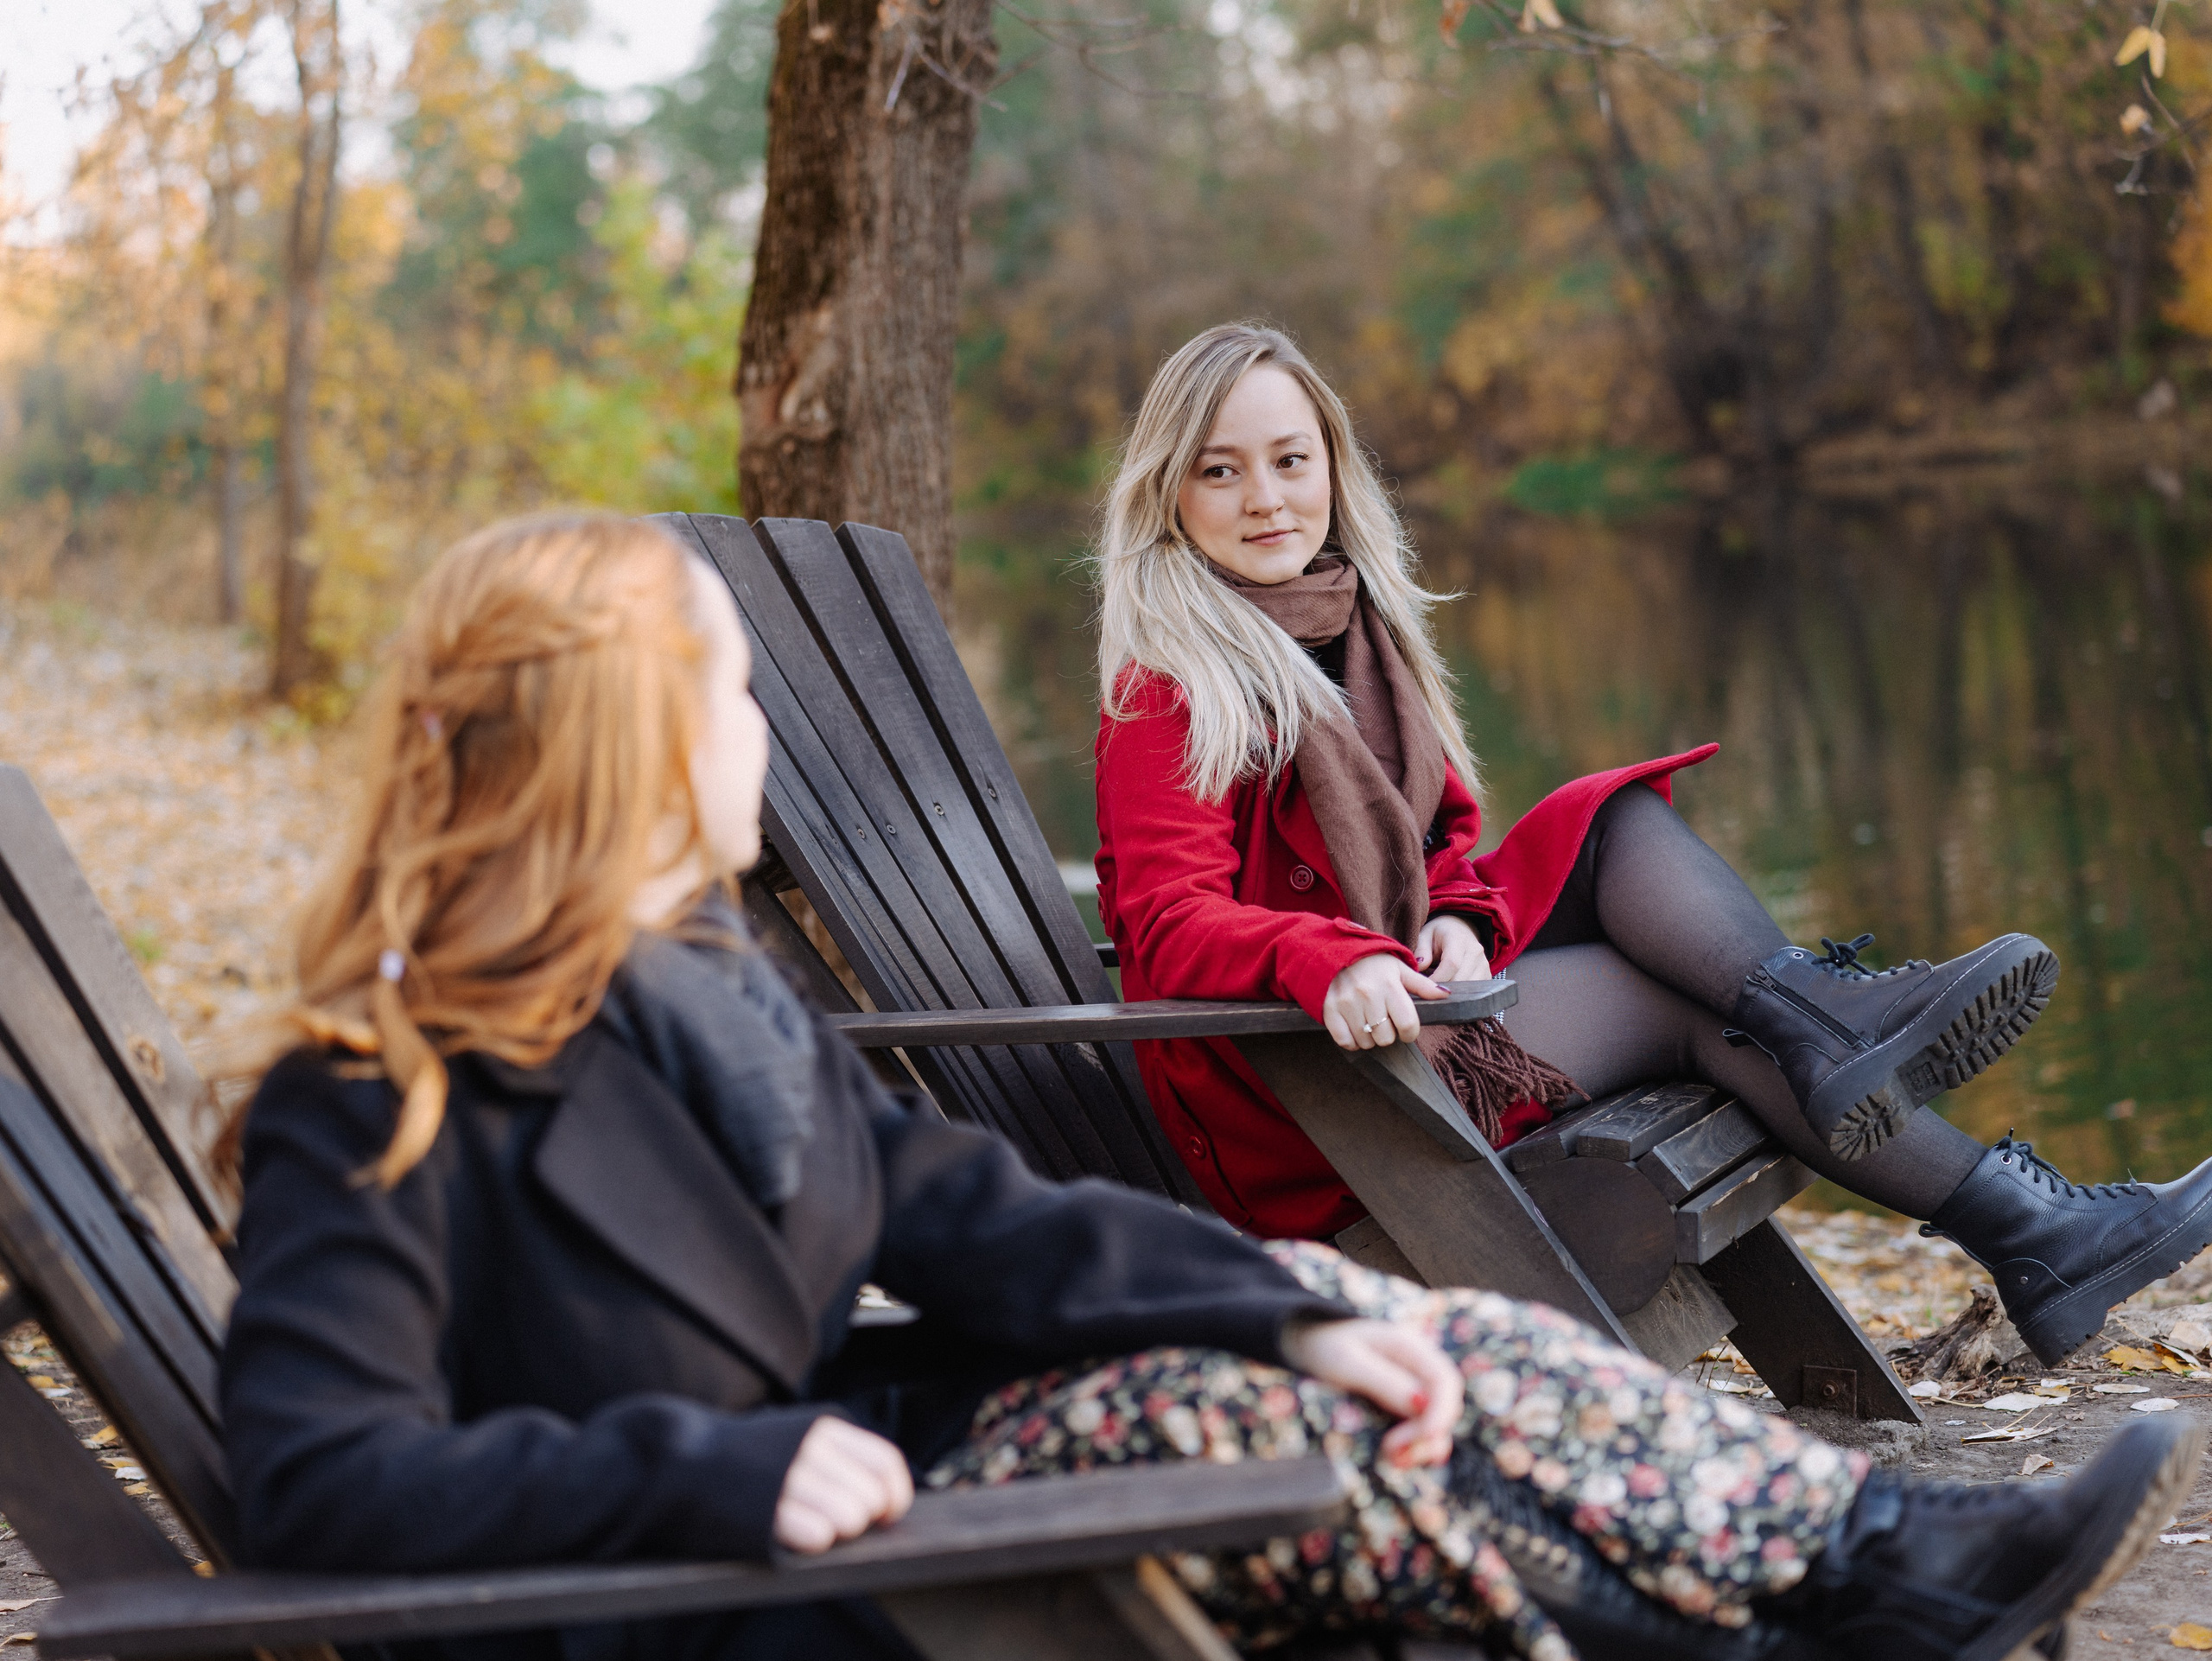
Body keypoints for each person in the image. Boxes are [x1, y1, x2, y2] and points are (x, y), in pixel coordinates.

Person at [219, 512, 2195, 1661]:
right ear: (624, 742)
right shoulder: (375, 1083)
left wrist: (1297, 1299)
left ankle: (1863, 1566)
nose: (752, 730)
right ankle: (1800, 1620)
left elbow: (972, 1219)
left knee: (1389, 1351)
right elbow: (313, 1479)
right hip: (701, 1578)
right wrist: (707, 1467)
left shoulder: (708, 994)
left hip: (865, 1487)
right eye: (726, 692)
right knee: (1291, 1446)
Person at [1090, 323, 2212, 1371]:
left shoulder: (1359, 632)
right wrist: (1330, 957)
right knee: (1706, 1013)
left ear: (1333, 465)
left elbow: (1444, 843)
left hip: (1401, 1005)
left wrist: (1458, 919)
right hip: (1311, 1090)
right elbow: (1164, 919)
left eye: (1289, 459)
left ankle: (1853, 1047)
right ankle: (2012, 1203)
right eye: (1221, 470)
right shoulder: (1171, 680)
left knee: (1618, 819)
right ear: (1170, 491)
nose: (1266, 498)